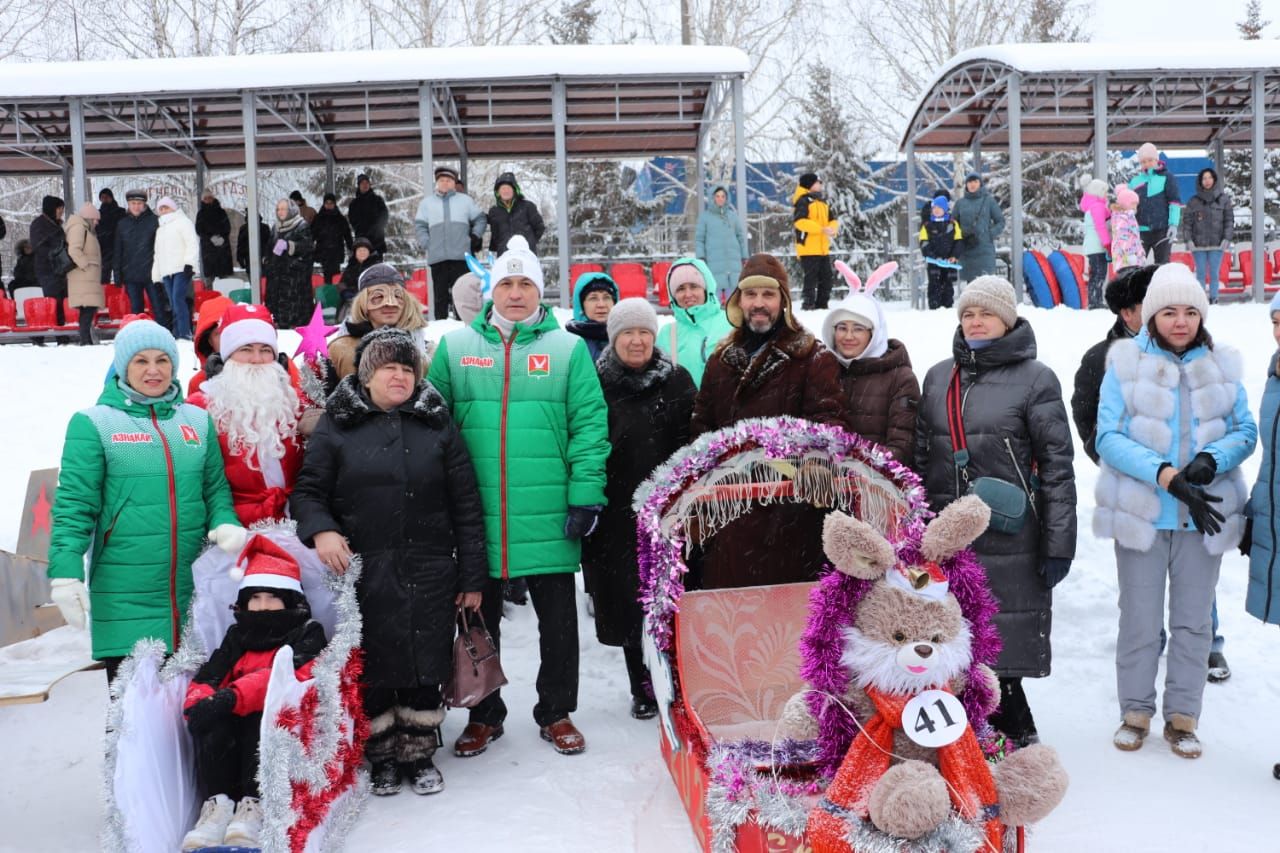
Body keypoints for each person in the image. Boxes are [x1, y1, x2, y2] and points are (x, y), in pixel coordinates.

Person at [428, 234, 609, 758]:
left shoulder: (568, 349)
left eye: (525, 283)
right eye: (505, 283)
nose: (515, 293)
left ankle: (556, 711)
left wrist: (585, 496)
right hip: (476, 510)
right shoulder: (457, 347)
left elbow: (590, 426)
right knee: (477, 618)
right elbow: (432, 422)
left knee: (558, 621)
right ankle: (485, 714)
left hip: (548, 508)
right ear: (491, 291)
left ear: (539, 291)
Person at [293, 327, 488, 796]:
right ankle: (380, 755)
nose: (399, 376)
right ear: (366, 375)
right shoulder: (338, 427)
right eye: (389, 368)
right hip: (362, 567)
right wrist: (322, 529)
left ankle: (419, 752)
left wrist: (472, 575)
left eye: (407, 368)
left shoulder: (437, 425)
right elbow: (308, 493)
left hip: (430, 565)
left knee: (426, 660)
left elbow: (466, 504)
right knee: (375, 663)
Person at [1095, 262, 1255, 758]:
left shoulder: (1222, 365)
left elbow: (1245, 431)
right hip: (1143, 513)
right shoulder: (1125, 364)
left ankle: (1183, 716)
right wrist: (1166, 474)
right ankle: (1136, 711)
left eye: (1190, 311)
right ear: (1150, 315)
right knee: (1140, 619)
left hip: (1202, 515)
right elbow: (1109, 437)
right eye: (1169, 311)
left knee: (1193, 622)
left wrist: (1212, 460)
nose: (1180, 321)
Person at [915, 276, 1076, 748]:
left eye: (985, 313)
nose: (976, 321)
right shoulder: (938, 376)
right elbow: (922, 460)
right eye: (968, 314)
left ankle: (1014, 734)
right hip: (948, 535)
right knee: (949, 636)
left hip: (1010, 535)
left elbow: (1057, 468)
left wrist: (1058, 542)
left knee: (1001, 641)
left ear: (1007, 320)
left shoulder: (1036, 379)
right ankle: (957, 733)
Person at [46, 320, 244, 683]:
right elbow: (74, 506)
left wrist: (225, 521)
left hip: (192, 592)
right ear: (123, 367)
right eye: (140, 361)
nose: (153, 370)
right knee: (133, 725)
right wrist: (65, 572)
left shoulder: (197, 421)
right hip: (125, 593)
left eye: (162, 360)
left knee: (191, 722)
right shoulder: (95, 424)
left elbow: (214, 488)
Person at [690, 253, 846, 588]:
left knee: (785, 621)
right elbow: (702, 421)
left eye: (768, 295)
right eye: (750, 294)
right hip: (730, 509)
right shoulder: (719, 360)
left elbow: (827, 419)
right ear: (738, 301)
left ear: (784, 302)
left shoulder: (812, 356)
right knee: (734, 618)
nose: (758, 304)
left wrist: (817, 460)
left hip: (789, 513)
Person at [583, 298, 695, 720]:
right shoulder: (596, 382)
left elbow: (693, 439)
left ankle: (683, 680)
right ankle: (644, 687)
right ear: (614, 338)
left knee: (675, 598)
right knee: (632, 600)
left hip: (671, 510)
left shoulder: (677, 379)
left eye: (644, 332)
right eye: (628, 332)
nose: (636, 340)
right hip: (617, 513)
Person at [179, 536, 326, 851]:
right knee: (214, 728)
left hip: (279, 718)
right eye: (254, 598)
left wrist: (231, 698)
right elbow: (211, 671)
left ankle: (253, 805)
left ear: (289, 600)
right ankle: (218, 805)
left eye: (271, 598)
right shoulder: (238, 635)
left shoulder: (307, 633)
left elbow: (286, 676)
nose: (261, 607)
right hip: (231, 713)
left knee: (258, 725)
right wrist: (199, 702)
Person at [188, 304, 304, 526]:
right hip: (233, 526)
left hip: (297, 519)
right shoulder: (200, 407)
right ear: (228, 356)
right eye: (246, 349)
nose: (257, 359)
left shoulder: (297, 402)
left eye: (265, 350)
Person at [822, 280, 919, 465]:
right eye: (842, 328)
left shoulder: (900, 379)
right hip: (826, 486)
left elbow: (901, 446)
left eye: (858, 329)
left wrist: (855, 468)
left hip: (878, 486)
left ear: (874, 333)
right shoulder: (824, 372)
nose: (848, 336)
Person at [1071, 265, 1156, 465]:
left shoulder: (1182, 350)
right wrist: (1109, 460)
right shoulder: (1098, 359)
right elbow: (1085, 416)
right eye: (1151, 303)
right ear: (1127, 313)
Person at [328, 262, 429, 380]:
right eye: (378, 297)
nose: (391, 304)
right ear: (363, 303)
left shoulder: (428, 351)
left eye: (398, 296)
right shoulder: (343, 350)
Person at [414, 165, 487, 320]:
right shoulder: (427, 203)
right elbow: (420, 225)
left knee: (461, 295)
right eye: (442, 180)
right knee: (439, 297)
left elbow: (481, 219)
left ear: (454, 183)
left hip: (461, 257)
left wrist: (475, 236)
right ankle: (440, 327)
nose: (445, 183)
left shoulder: (466, 201)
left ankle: (462, 326)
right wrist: (427, 242)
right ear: (437, 183)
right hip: (437, 257)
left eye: (448, 180)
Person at [658, 258, 733, 388]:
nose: (688, 294)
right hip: (684, 407)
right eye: (681, 289)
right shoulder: (667, 334)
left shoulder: (730, 323)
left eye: (694, 286)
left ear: (706, 289)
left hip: (726, 405)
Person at [1179, 167, 1233, 304]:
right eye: (1204, 178)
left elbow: (1229, 220)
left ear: (1214, 179)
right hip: (1198, 245)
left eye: (1209, 177)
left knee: (1214, 274)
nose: (1207, 181)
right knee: (1201, 274)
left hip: (1217, 244)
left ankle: (1214, 298)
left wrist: (1227, 238)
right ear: (1200, 181)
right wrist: (1189, 239)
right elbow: (1187, 222)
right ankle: (1201, 300)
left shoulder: (1224, 200)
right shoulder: (1193, 201)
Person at [115, 189, 165, 325]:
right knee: (136, 311)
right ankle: (139, 335)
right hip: (131, 274)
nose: (136, 206)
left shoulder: (154, 221)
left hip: (152, 274)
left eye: (139, 203)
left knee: (158, 308)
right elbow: (118, 250)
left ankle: (164, 333)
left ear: (144, 204)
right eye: (133, 203)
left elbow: (162, 248)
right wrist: (118, 274)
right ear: (128, 204)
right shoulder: (122, 224)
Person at [152, 196, 199, 340]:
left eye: (166, 207)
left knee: (178, 299)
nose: (164, 210)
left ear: (173, 208)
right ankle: (177, 332)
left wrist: (190, 263)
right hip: (167, 271)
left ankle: (184, 332)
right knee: (173, 302)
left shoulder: (183, 222)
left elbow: (192, 243)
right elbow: (158, 254)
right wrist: (156, 275)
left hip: (181, 268)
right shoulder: (160, 229)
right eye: (161, 208)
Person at [263, 198, 314, 329]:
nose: (280, 212)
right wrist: (268, 262)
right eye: (278, 209)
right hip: (276, 282)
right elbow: (269, 249)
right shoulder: (276, 228)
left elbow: (307, 248)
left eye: (283, 209)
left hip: (294, 284)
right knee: (277, 319)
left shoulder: (301, 226)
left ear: (291, 210)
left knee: (293, 322)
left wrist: (291, 246)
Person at [1129, 142, 1182, 265]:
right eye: (1143, 161)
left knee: (1162, 266)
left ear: (1156, 160)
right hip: (1141, 231)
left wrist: (1173, 224)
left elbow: (1174, 202)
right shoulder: (1135, 182)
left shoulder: (1167, 177)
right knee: (1135, 266)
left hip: (1162, 230)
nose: (1147, 164)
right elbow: (1128, 206)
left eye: (1150, 160)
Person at [792, 172, 838, 310]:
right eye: (818, 182)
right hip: (808, 248)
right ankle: (808, 305)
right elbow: (800, 222)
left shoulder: (822, 202)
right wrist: (820, 229)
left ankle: (822, 305)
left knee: (827, 279)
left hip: (823, 248)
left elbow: (833, 219)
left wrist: (832, 229)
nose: (820, 184)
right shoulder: (802, 201)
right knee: (810, 279)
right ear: (810, 184)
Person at [695, 185, 749, 304]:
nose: (720, 199)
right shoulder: (705, 217)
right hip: (713, 262)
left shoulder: (733, 216)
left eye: (723, 196)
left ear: (726, 198)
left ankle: (732, 321)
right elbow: (699, 239)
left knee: (734, 299)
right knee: (714, 297)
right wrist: (701, 257)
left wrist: (744, 256)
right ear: (712, 198)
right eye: (717, 196)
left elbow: (740, 237)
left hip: (733, 263)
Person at [952, 172, 1005, 282]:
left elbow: (1000, 221)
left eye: (975, 181)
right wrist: (959, 238)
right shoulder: (960, 203)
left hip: (984, 250)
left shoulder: (989, 201)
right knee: (971, 289)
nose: (972, 184)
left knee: (986, 285)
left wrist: (990, 234)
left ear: (980, 183)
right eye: (970, 182)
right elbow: (953, 225)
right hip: (966, 250)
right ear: (966, 184)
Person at [64, 202, 104, 346]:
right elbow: (74, 250)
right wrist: (86, 265)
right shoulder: (79, 228)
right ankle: (85, 340)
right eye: (95, 219)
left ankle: (86, 340)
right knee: (88, 309)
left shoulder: (84, 229)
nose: (97, 222)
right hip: (83, 276)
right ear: (88, 218)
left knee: (87, 309)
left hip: (85, 278)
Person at [30, 194, 68, 326]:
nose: (61, 212)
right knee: (54, 301)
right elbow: (39, 248)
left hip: (60, 270)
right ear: (52, 209)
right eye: (59, 209)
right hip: (47, 270)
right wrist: (57, 253)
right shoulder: (39, 225)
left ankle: (63, 331)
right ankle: (59, 333)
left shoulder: (56, 225)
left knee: (62, 301)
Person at [487, 171, 545, 255]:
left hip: (526, 254)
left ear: (515, 190)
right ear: (498, 192)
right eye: (503, 189)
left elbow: (539, 227)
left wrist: (529, 242)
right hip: (504, 255)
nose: (505, 191)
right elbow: (495, 235)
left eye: (508, 188)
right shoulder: (494, 212)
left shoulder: (528, 206)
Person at [919, 195, 961, 309]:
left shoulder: (952, 224)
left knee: (948, 285)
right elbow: (923, 242)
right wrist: (932, 256)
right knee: (934, 285)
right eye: (934, 208)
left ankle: (947, 307)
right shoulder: (927, 225)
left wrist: (954, 256)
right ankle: (934, 307)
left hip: (948, 261)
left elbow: (958, 241)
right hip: (933, 262)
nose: (936, 210)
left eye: (939, 208)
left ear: (945, 209)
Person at [565, 270, 618, 360]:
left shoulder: (626, 338)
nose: (601, 304)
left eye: (606, 297)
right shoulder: (568, 345)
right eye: (593, 298)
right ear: (581, 305)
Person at [187, 293, 234, 396]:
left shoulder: (260, 372)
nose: (227, 338)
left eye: (230, 331)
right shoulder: (198, 383)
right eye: (219, 333)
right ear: (210, 341)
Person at [1079, 177, 1112, 308]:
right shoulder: (1097, 206)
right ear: (1098, 192)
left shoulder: (1092, 206)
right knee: (1099, 274)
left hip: (1092, 246)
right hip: (1097, 245)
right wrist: (1107, 243)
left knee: (1097, 274)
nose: (1106, 194)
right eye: (1104, 191)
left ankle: (1095, 300)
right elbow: (1100, 226)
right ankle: (1095, 301)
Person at [311, 193, 354, 284]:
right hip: (322, 253)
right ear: (324, 204)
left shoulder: (340, 219)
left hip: (336, 252)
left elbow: (347, 235)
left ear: (334, 204)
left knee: (336, 278)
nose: (329, 205)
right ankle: (326, 295)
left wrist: (352, 249)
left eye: (331, 203)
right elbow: (311, 235)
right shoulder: (318, 218)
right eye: (327, 203)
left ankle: (336, 295)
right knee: (324, 278)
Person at [196, 189, 234, 282]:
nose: (208, 200)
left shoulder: (221, 212)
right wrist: (210, 238)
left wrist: (222, 238)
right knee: (210, 279)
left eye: (210, 198)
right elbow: (199, 230)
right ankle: (211, 295)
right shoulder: (201, 214)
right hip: (208, 249)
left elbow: (227, 227)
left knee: (224, 278)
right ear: (202, 200)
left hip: (222, 248)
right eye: (206, 198)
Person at [347, 172, 389, 257]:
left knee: (377, 267)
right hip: (361, 240)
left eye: (367, 183)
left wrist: (376, 228)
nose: (365, 185)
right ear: (359, 186)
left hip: (377, 240)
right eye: (362, 183)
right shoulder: (354, 203)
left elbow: (384, 216)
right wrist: (361, 229)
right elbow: (352, 220)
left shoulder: (378, 200)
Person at [1110, 185, 1145, 271]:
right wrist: (1129, 254)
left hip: (1133, 257)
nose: (1135, 206)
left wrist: (1141, 254)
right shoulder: (1122, 218)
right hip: (1125, 259)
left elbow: (1135, 238)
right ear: (1125, 204)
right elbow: (1122, 238)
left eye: (1136, 204)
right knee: (1127, 281)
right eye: (1133, 204)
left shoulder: (1130, 217)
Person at [96, 188, 125, 285]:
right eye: (102, 198)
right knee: (104, 279)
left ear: (111, 198)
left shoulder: (120, 212)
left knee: (120, 277)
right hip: (104, 250)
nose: (104, 200)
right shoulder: (98, 214)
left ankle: (122, 297)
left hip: (118, 248)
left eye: (106, 197)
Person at [338, 237, 379, 306]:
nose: (362, 253)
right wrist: (345, 292)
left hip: (371, 300)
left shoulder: (376, 267)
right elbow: (342, 283)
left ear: (369, 252)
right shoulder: (351, 267)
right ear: (355, 253)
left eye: (364, 250)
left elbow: (381, 283)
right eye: (359, 250)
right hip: (351, 300)